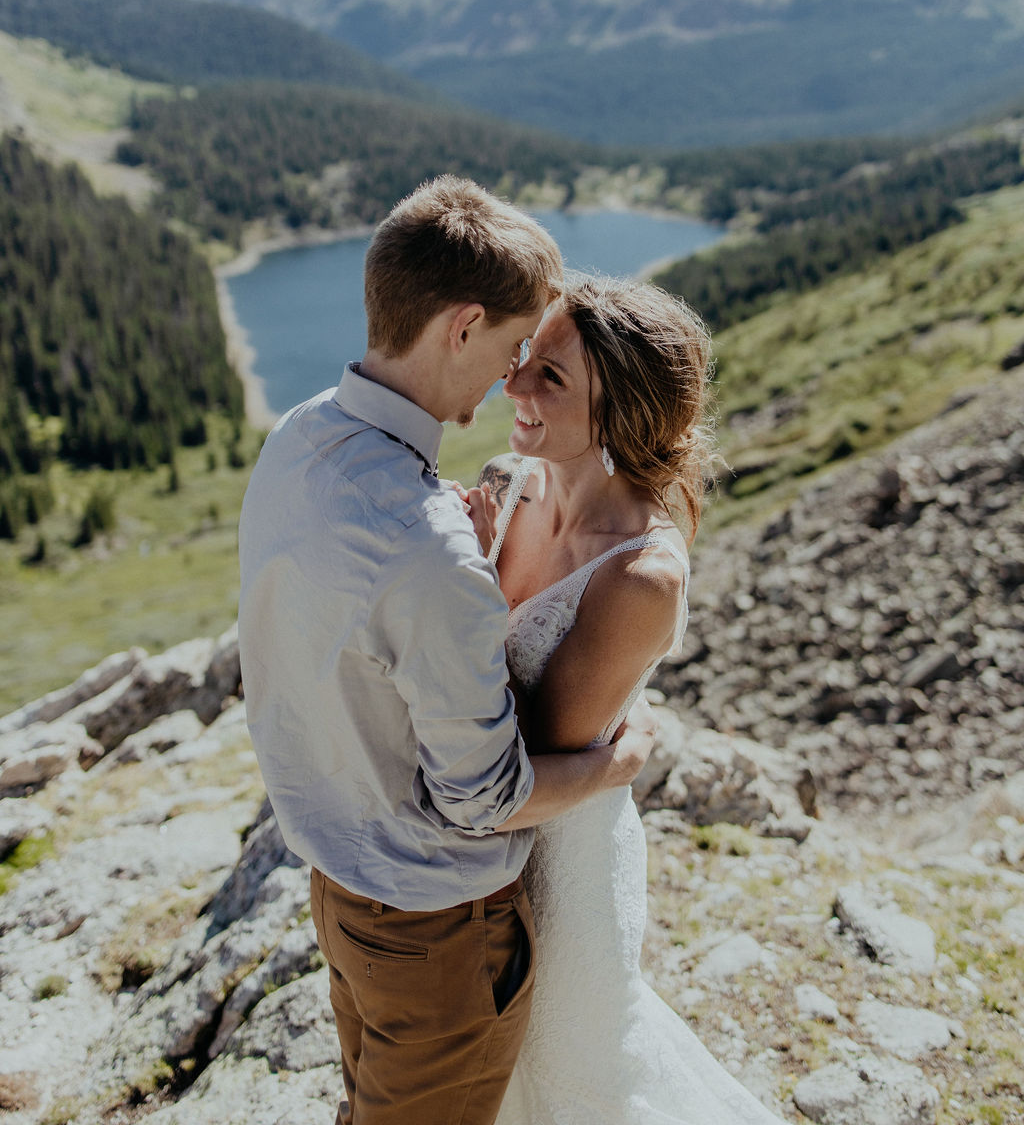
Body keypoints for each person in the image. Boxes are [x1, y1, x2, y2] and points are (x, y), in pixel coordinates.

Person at [237, 178, 657, 1125]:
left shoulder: (299, 437)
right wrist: (612, 764)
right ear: (461, 327)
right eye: (514, 350)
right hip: (433, 934)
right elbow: (484, 799)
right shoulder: (426, 544)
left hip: (337, 887)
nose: (512, 383)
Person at [470, 274, 788, 1125]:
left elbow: (526, 751)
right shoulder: (508, 483)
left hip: (561, 866)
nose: (514, 386)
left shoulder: (642, 574)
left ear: (620, 415)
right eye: (526, 359)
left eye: (552, 378)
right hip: (469, 845)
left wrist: (624, 755)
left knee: (574, 1074)